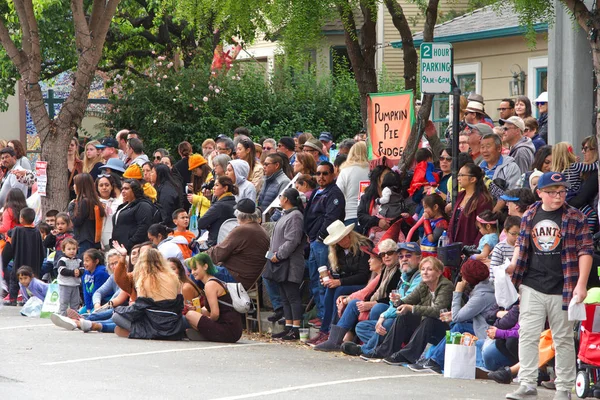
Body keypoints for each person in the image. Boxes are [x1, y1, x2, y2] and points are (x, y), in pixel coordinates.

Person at [505, 171, 592, 400]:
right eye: (552, 192)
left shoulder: (575, 217)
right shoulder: (530, 214)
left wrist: (581, 284)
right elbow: (522, 244)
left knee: (562, 338)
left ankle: (564, 388)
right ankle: (527, 383)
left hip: (563, 285)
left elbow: (585, 251)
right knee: (527, 334)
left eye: (562, 191)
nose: (558, 196)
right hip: (532, 283)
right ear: (540, 193)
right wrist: (513, 265)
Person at [408, 258, 496, 373]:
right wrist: (452, 314)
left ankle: (434, 361)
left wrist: (457, 292)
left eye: (464, 276)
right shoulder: (483, 289)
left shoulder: (481, 295)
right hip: (481, 326)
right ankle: (431, 359)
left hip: (485, 332)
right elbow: (475, 314)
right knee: (453, 324)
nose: (462, 279)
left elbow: (457, 317)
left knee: (459, 327)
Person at [361, 257, 453, 364]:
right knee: (405, 315)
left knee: (429, 319)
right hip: (427, 328)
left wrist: (411, 308)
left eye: (429, 269)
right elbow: (408, 300)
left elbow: (437, 311)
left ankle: (407, 356)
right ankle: (385, 351)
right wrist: (397, 301)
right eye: (423, 269)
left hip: (447, 330)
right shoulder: (423, 285)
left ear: (439, 272)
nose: (425, 272)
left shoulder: (446, 285)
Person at [338, 241, 422, 356]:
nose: (404, 259)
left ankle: (366, 350)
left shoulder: (412, 275)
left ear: (419, 258)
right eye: (401, 256)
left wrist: (382, 314)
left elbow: (404, 302)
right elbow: (373, 293)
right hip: (395, 313)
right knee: (362, 326)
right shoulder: (399, 274)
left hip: (410, 317)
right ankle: (336, 339)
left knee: (381, 314)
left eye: (408, 255)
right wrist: (347, 298)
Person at [307, 221, 372, 344]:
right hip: (348, 282)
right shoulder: (337, 250)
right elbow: (341, 272)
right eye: (338, 240)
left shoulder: (363, 246)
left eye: (343, 238)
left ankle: (333, 330)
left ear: (349, 234)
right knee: (330, 288)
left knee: (339, 289)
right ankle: (325, 330)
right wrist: (331, 278)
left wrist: (339, 281)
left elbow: (363, 275)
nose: (342, 242)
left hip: (364, 284)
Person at [304, 162, 346, 326]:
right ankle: (322, 316)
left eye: (325, 173)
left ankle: (326, 321)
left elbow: (331, 217)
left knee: (324, 282)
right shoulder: (316, 191)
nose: (321, 177)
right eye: (318, 173)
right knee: (315, 281)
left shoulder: (334, 193)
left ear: (332, 174)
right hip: (314, 241)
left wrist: (320, 236)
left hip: (323, 243)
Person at [112, 248, 186, 340]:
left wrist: (119, 309)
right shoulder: (173, 277)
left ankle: (138, 332)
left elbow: (138, 309)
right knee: (187, 318)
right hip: (174, 326)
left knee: (116, 316)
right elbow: (180, 304)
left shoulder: (143, 280)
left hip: (152, 326)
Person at [264, 188, 306, 341]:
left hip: (290, 262)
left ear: (286, 199)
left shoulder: (295, 216)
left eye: (281, 196)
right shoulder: (286, 215)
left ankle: (295, 328)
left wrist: (279, 254)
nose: (279, 198)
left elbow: (292, 240)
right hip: (280, 262)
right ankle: (288, 326)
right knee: (284, 295)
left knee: (292, 295)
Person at [206, 198, 270, 290]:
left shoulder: (242, 230)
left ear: (238, 215)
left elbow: (218, 253)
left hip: (237, 278)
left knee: (197, 269)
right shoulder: (261, 230)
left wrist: (199, 257)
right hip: (247, 277)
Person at [183, 253, 243, 343]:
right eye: (191, 269)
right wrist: (197, 310)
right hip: (234, 329)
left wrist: (206, 322)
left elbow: (215, 314)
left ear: (205, 266)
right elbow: (210, 311)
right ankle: (208, 334)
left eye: (195, 269)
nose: (192, 272)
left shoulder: (210, 284)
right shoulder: (213, 281)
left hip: (228, 329)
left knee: (190, 315)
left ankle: (207, 334)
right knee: (192, 313)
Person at [2, 207, 45, 305]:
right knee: (32, 283)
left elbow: (9, 233)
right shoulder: (37, 232)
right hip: (33, 264)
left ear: (21, 218)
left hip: (19, 262)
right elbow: (41, 249)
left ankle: (13, 300)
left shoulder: (18, 230)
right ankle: (31, 300)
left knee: (15, 280)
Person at [448, 163, 493, 246]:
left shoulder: (483, 200)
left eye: (461, 175)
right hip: (454, 246)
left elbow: (484, 228)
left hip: (471, 248)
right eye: (458, 175)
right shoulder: (460, 195)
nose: (458, 178)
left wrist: (473, 249)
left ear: (472, 179)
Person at [112, 179, 155, 251]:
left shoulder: (143, 205)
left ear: (135, 190)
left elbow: (143, 228)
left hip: (133, 249)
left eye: (126, 188)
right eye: (122, 189)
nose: (123, 191)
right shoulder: (123, 206)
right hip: (119, 248)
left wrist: (130, 244)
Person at [68, 173, 105, 254]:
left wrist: (71, 207)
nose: (73, 186)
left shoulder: (84, 202)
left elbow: (76, 221)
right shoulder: (92, 200)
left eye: (75, 184)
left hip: (84, 240)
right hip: (90, 239)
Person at [196, 176, 237, 248]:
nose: (213, 188)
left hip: (215, 244)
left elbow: (201, 223)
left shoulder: (219, 206)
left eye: (217, 185)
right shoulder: (235, 203)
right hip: (231, 243)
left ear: (225, 188)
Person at [336, 142, 370, 226]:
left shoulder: (345, 171)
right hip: (369, 216)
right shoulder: (372, 170)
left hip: (349, 215)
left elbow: (337, 193)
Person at [55, 238, 84, 315]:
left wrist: (80, 272)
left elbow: (83, 269)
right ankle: (62, 315)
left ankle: (73, 316)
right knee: (64, 302)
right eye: (69, 249)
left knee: (75, 302)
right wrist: (73, 272)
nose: (72, 251)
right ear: (64, 250)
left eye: (74, 249)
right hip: (65, 285)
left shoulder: (79, 261)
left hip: (75, 285)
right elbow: (62, 271)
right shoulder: (62, 260)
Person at [489, 216, 521, 281]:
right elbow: (493, 272)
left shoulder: (525, 246)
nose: (517, 237)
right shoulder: (500, 248)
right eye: (513, 234)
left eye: (520, 234)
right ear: (505, 232)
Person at [96, 173, 122, 250]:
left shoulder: (118, 203)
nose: (104, 188)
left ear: (112, 187)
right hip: (96, 241)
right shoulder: (93, 202)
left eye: (107, 185)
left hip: (113, 240)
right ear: (97, 188)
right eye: (101, 185)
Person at [80, 249, 110, 314]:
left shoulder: (101, 273)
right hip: (91, 301)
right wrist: (88, 307)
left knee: (91, 315)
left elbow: (96, 292)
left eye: (87, 261)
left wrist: (90, 308)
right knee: (80, 314)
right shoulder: (85, 273)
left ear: (96, 261)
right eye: (84, 261)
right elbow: (85, 291)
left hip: (103, 300)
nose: (84, 263)